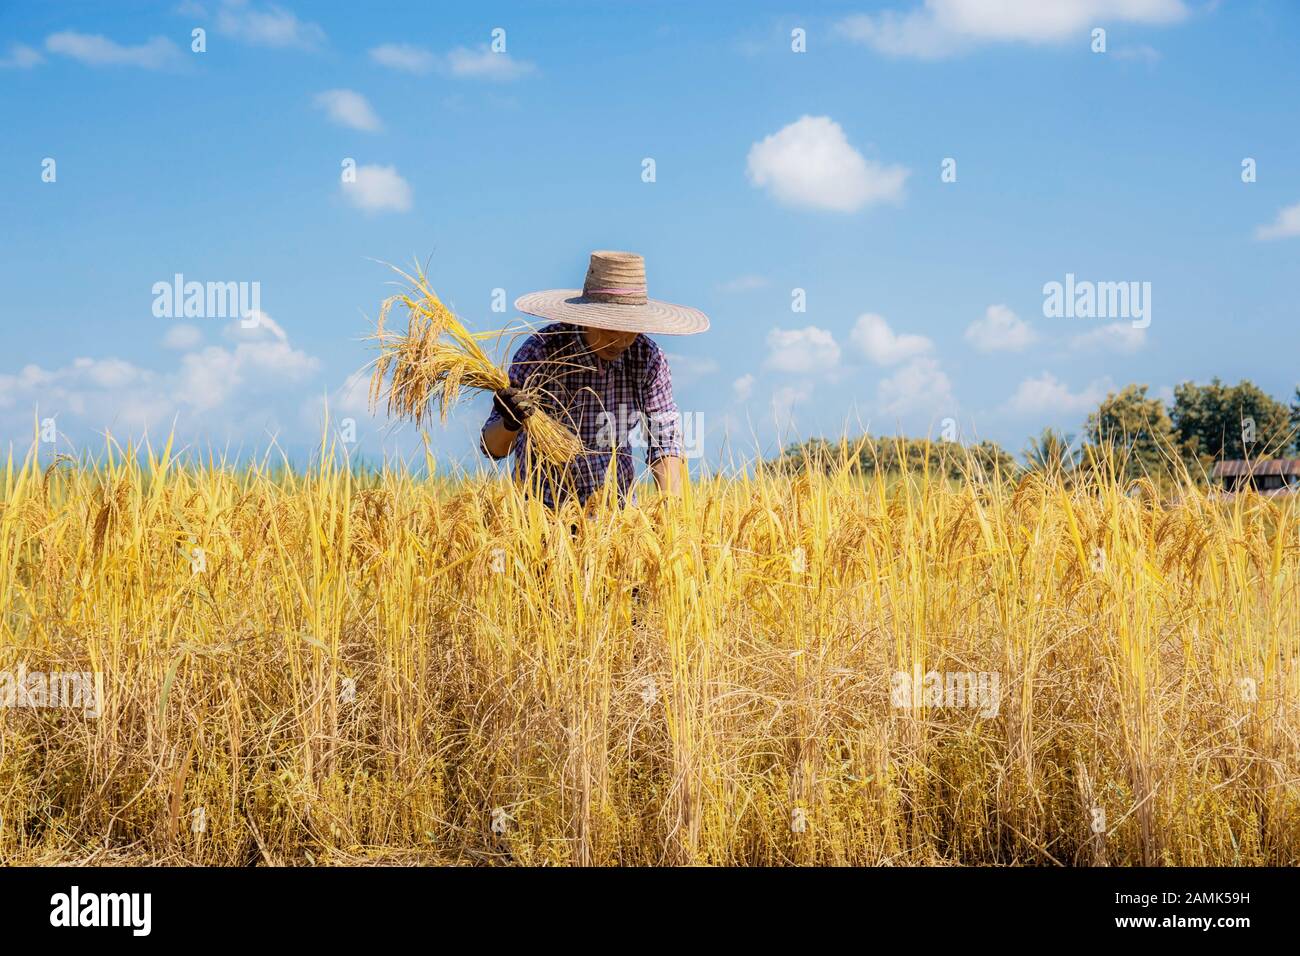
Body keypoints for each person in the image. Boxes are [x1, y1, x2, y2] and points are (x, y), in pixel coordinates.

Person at [480, 250, 709, 507]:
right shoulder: (540, 353)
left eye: (631, 330)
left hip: (615, 518)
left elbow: (664, 436)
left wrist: (671, 509)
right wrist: (511, 422)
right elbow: (493, 448)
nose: (621, 341)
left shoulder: (647, 358)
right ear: (587, 318)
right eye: (610, 328)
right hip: (540, 517)